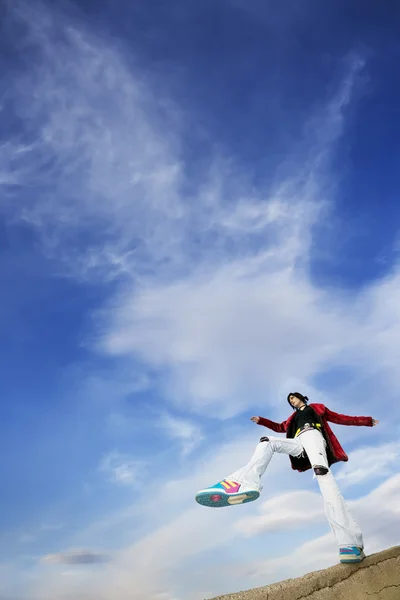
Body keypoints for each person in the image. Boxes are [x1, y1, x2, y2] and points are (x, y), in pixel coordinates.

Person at [195, 392, 379, 564]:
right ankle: (244, 482)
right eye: (289, 400)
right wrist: (262, 421)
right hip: (298, 442)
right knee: (268, 441)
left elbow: (342, 418)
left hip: (314, 436)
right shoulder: (292, 419)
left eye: (293, 398)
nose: (292, 401)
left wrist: (368, 421)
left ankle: (350, 543)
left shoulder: (317, 408)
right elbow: (279, 427)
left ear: (301, 398)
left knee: (323, 476)